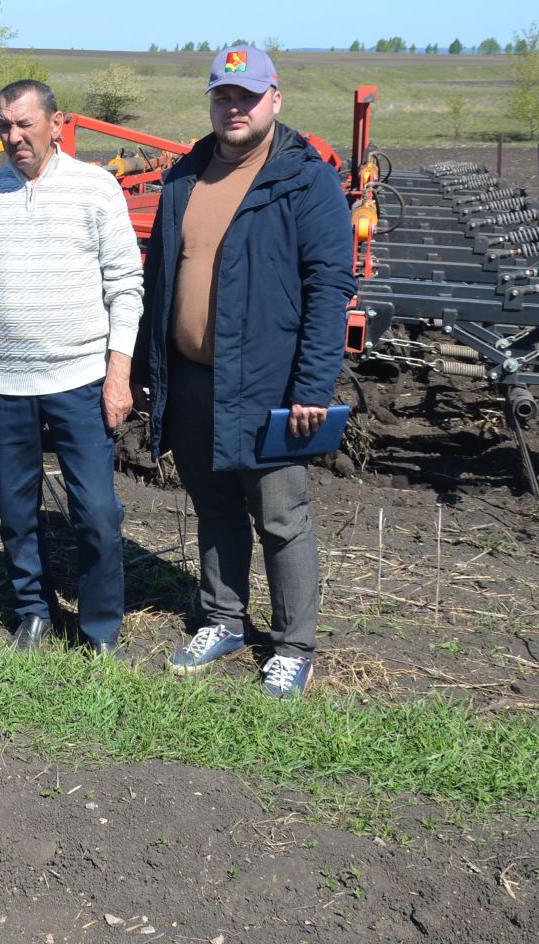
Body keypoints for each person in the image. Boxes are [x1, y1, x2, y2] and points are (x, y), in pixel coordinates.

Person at [132, 45, 356, 697]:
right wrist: (152, 361)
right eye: (224, 95)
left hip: (268, 382)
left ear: (275, 100)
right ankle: (224, 618)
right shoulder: (185, 175)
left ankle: (292, 646)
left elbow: (328, 286)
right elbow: (159, 278)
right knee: (215, 506)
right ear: (212, 100)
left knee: (281, 516)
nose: (235, 107)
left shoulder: (303, 179)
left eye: (248, 96)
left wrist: (312, 387)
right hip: (193, 376)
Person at [0, 80, 142, 653]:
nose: (13, 137)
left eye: (25, 124)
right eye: (4, 126)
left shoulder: (96, 188)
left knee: (95, 511)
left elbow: (126, 285)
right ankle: (33, 610)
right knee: (16, 511)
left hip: (80, 378)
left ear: (56, 123)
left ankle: (99, 629)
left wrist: (118, 374)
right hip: (6, 380)